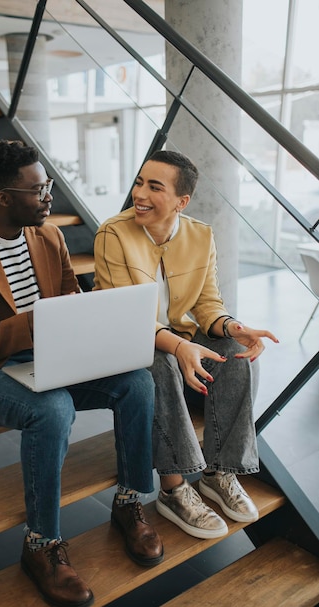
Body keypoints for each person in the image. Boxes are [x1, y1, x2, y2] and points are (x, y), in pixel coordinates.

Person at [0, 141, 163, 607]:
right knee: (53, 409)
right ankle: (41, 543)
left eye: (49, 186)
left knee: (138, 382)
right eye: (38, 190)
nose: (49, 197)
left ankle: (128, 500)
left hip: (55, 356)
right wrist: (29, 323)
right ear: (3, 198)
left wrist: (90, 321)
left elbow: (69, 299)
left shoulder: (49, 236)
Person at [93, 149, 279, 541]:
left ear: (181, 201)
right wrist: (178, 348)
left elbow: (208, 303)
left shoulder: (200, 235)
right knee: (159, 364)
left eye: (154, 187)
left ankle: (218, 474)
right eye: (140, 182)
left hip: (179, 335)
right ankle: (174, 488)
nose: (139, 194)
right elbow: (127, 317)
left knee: (239, 358)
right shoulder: (113, 233)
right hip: (126, 341)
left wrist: (233, 327)